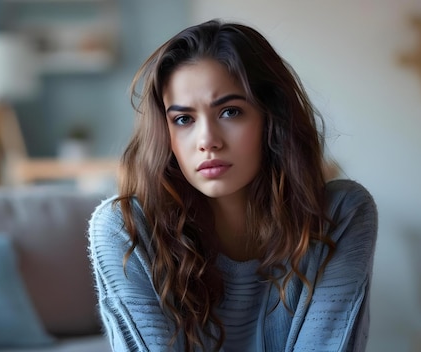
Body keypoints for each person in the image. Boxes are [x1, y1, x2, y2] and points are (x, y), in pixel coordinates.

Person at [88, 19, 377, 352]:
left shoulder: (341, 215)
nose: (207, 141)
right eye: (183, 119)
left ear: (272, 119)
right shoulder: (124, 229)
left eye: (230, 112)